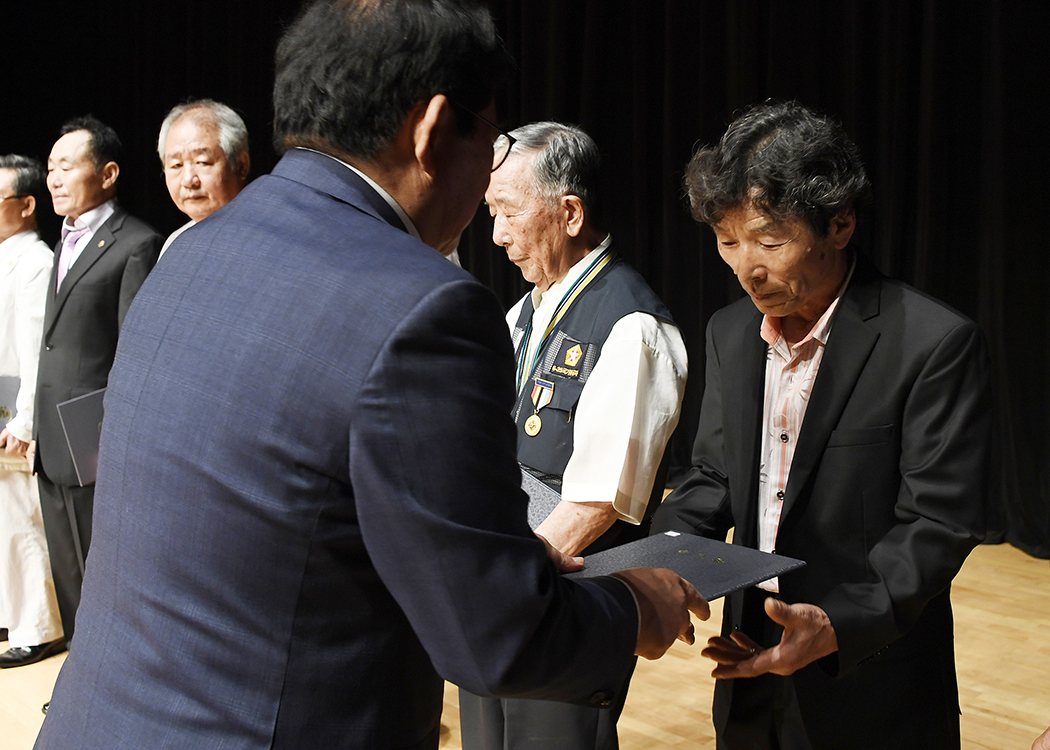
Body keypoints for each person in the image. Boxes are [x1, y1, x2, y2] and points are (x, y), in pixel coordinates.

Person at [34, 2, 707, 749]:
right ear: (432, 130)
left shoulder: (189, 252)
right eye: (488, 142)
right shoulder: (422, 305)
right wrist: (636, 605)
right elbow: (495, 636)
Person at [652, 101, 990, 750]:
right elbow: (714, 475)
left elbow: (938, 522)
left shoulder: (933, 342)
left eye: (770, 240)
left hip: (869, 673)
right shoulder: (730, 332)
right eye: (727, 241)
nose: (746, 266)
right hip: (747, 662)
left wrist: (836, 623)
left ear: (839, 223)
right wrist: (661, 562)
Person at [460, 122, 688, 750]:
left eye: (508, 212)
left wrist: (513, 583)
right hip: (513, 584)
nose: (497, 235)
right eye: (490, 212)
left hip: (570, 593)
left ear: (569, 213)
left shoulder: (630, 325)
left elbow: (597, 501)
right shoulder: (526, 311)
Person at [31, 116, 162, 650]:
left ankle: (106, 681)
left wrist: (113, 432)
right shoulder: (59, 241)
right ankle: (76, 678)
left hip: (93, 431)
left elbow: (132, 349)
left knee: (100, 569)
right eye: (50, 167)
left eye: (68, 165)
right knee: (66, 564)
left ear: (107, 174)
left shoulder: (135, 242)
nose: (55, 178)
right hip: (50, 429)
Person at [0, 155, 64, 668]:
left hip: (11, 407)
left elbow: (33, 347)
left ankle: (39, 626)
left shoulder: (36, 261)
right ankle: (13, 615)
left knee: (23, 519)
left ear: (26, 205)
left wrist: (23, 421)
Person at [156, 99, 250, 257]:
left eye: (202, 162)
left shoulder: (267, 238)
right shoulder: (175, 244)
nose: (188, 180)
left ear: (241, 166)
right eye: (177, 165)